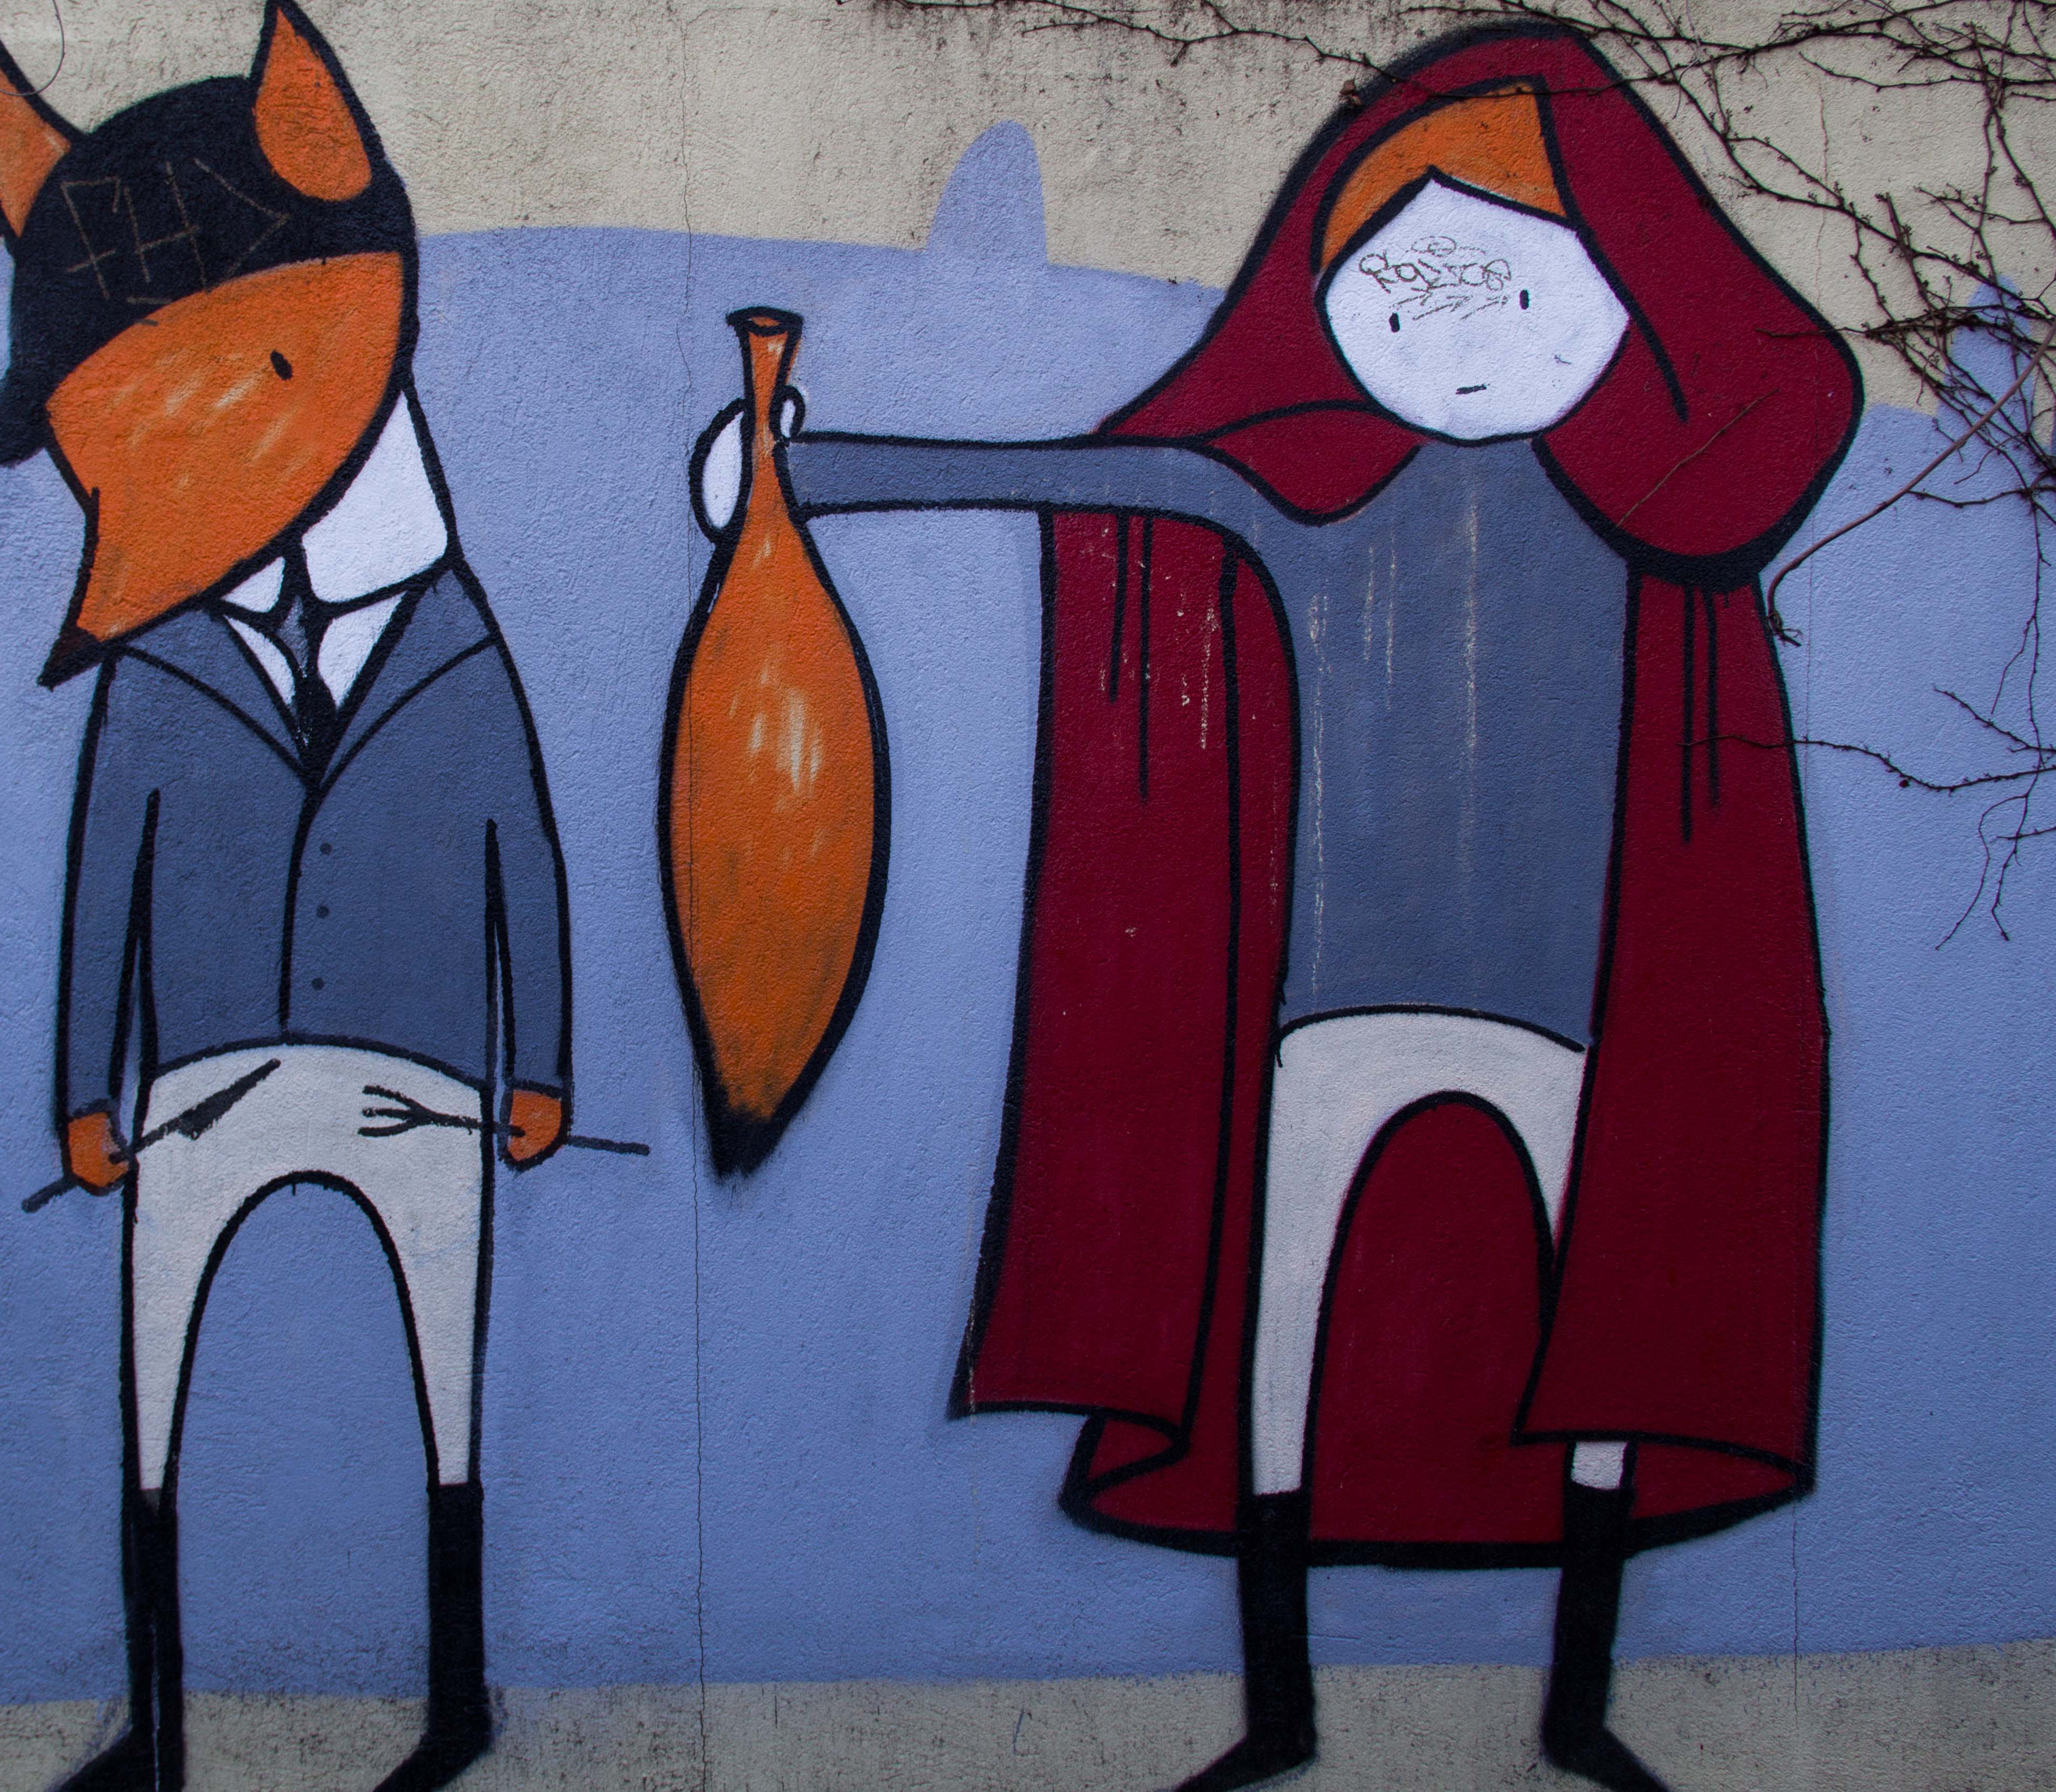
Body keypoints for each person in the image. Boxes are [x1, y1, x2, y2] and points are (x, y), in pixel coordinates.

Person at [693, 24, 1858, 1791]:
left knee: (1606, 1337)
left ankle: (1578, 1700)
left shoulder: (1655, 522)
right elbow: (1082, 476)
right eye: (1407, 282)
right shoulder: (1292, 496)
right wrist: (800, 472)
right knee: (1281, 1338)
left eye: (1508, 283)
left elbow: (1785, 397)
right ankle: (1281, 1706)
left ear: (1618, 297)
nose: (1456, 330)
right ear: (1332, 295)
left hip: (1572, 1014)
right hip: (1337, 999)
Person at [0, 7, 570, 1787]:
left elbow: (523, 848)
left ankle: (455, 1698)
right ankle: (160, 1721)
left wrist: (541, 1063)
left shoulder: (453, 639)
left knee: (445, 1388)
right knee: (157, 1393)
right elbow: (108, 868)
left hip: (421, 1064)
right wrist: (87, 1089)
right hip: (205, 1071)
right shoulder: (163, 661)